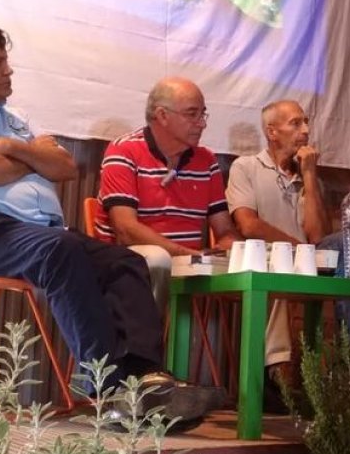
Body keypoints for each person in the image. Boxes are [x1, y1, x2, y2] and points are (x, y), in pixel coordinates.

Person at [0, 25, 218, 427]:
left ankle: (145, 379)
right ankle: (110, 389)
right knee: (60, 252)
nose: (8, 71)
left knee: (126, 262)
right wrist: (33, 158)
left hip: (36, 233)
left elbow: (65, 167)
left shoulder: (13, 120)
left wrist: (13, 147)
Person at [225, 100, 350, 382]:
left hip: (307, 261)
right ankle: (274, 373)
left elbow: (319, 238)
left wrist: (309, 175)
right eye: (296, 123)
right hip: (265, 257)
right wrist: (297, 249)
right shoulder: (246, 167)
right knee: (281, 269)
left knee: (345, 242)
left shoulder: (312, 180)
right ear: (272, 131)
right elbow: (247, 224)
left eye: (306, 123)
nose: (305, 130)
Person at [94, 77, 241, 313]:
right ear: (162, 116)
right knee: (157, 259)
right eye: (192, 114)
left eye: (203, 114)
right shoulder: (123, 150)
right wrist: (188, 255)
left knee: (252, 259)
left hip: (187, 264)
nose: (202, 124)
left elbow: (224, 230)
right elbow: (125, 230)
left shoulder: (207, 160)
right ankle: (147, 345)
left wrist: (232, 251)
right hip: (125, 261)